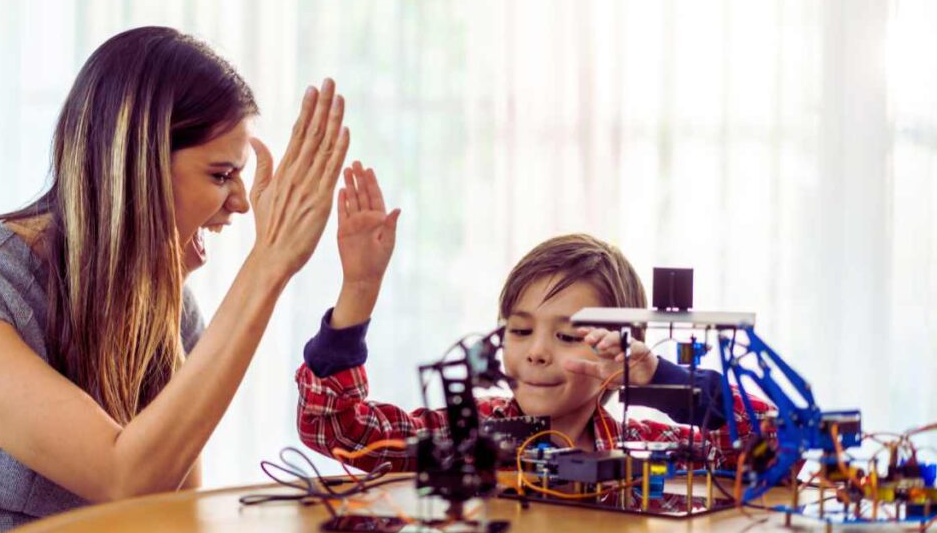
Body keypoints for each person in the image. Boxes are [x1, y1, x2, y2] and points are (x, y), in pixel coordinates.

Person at [0, 26, 348, 533]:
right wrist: (269, 265)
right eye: (221, 175)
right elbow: (126, 476)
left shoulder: (167, 310)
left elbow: (171, 515)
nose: (241, 203)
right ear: (135, 164)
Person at [296, 166, 772, 472]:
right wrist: (359, 290)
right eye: (520, 330)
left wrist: (654, 380)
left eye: (567, 335)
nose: (537, 350)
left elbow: (769, 442)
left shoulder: (640, 444)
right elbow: (337, 429)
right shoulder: (470, 435)